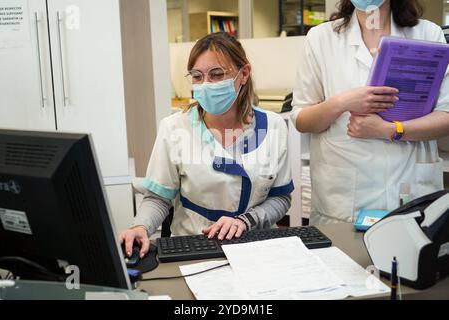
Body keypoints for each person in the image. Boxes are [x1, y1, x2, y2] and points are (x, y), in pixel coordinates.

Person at [120, 32, 294, 257]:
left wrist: (246, 221)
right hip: (193, 246)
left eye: (216, 74)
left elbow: (280, 198)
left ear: (244, 74)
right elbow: (159, 198)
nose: (205, 85)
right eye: (197, 76)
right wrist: (140, 227)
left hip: (256, 246)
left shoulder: (273, 126)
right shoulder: (175, 128)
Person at [291, 0, 449, 225]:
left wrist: (390, 130)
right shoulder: (321, 38)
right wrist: (342, 102)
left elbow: (446, 115)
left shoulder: (427, 33)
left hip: (411, 194)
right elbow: (301, 119)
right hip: (342, 205)